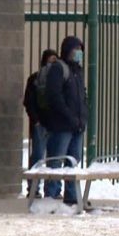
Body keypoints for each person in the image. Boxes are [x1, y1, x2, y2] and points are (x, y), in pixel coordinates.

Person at [40, 36, 87, 206]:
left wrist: (82, 118)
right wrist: (69, 116)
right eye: (76, 49)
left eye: (80, 49)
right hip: (62, 124)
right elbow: (55, 96)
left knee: (73, 161)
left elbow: (82, 97)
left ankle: (71, 195)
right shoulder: (59, 69)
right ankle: (51, 195)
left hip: (76, 124)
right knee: (56, 159)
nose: (79, 53)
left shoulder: (77, 71)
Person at [22, 49, 58, 198]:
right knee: (38, 155)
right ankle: (34, 188)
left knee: (53, 157)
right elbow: (29, 102)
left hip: (53, 123)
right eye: (50, 60)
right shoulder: (35, 79)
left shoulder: (57, 79)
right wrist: (36, 120)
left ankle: (52, 189)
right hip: (41, 123)